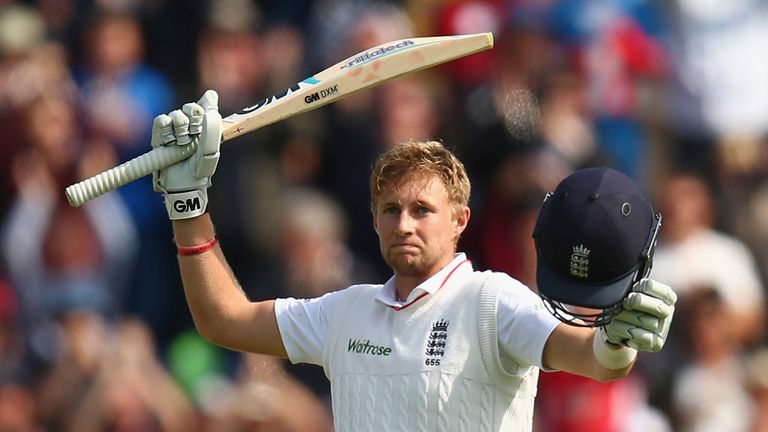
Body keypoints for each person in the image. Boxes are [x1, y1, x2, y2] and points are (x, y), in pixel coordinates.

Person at [150, 90, 677, 431]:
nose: (404, 223)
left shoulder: (493, 300)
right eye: (390, 210)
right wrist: (188, 207)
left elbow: (591, 357)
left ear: (460, 221)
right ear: (374, 220)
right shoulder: (344, 312)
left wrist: (617, 342)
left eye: (423, 209)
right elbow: (222, 320)